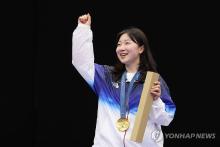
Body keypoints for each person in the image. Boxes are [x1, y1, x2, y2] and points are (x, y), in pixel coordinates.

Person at [72, 13, 176, 147]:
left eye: (127, 43)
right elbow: (82, 62)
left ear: (141, 48)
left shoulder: (153, 81)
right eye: (119, 44)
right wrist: (83, 29)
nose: (121, 48)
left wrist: (156, 101)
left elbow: (166, 119)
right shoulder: (106, 76)